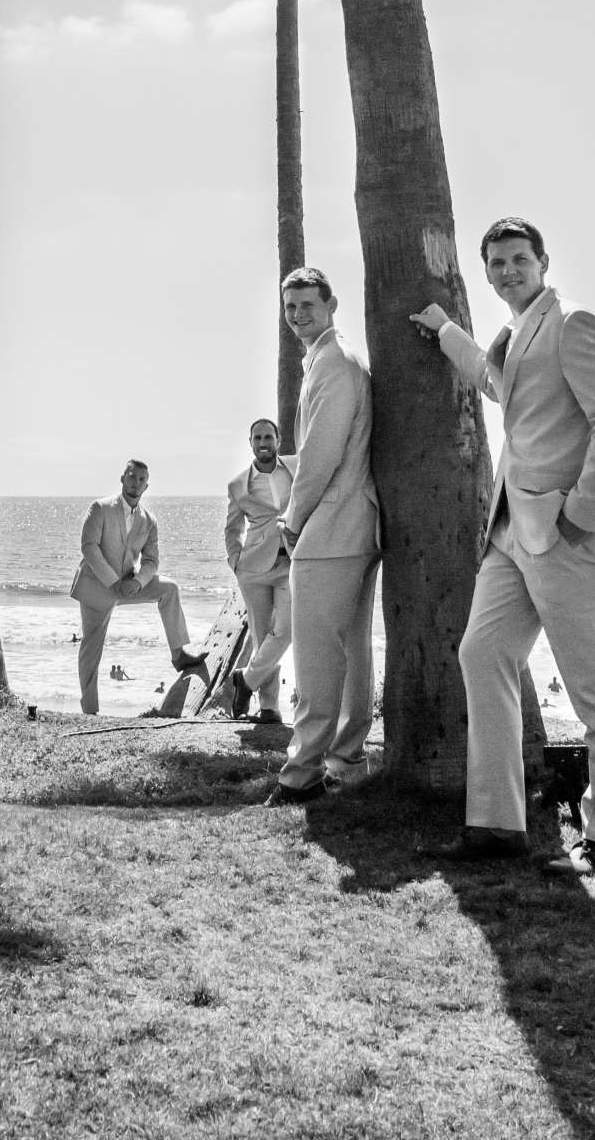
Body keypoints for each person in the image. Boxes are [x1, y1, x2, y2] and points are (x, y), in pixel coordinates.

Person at [411, 216, 595, 876]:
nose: (507, 271)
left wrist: (579, 514)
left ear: (542, 261)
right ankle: (496, 827)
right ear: (484, 274)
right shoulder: (515, 334)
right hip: (509, 532)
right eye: (496, 263)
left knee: (594, 687)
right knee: (482, 652)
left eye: (518, 259)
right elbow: (497, 386)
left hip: (562, 535)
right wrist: (444, 332)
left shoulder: (573, 324)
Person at [266, 270, 381, 802]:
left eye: (307, 304)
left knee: (314, 655)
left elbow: (320, 455)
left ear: (332, 304)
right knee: (351, 649)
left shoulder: (335, 363)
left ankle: (302, 774)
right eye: (291, 307)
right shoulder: (332, 359)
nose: (298, 315)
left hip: (331, 526)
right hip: (352, 525)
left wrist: (291, 519)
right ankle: (346, 759)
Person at [71, 459, 208, 715]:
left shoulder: (149, 520)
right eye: (132, 477)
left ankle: (180, 653)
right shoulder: (100, 508)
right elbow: (89, 547)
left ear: (147, 486)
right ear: (123, 478)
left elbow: (152, 561)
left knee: (170, 589)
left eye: (142, 480)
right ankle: (90, 710)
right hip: (98, 586)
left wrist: (137, 582)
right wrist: (113, 582)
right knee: (91, 647)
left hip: (129, 584)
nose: (136, 483)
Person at [224, 417, 295, 724]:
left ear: (278, 440)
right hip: (253, 568)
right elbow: (232, 527)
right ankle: (268, 708)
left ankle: (246, 680)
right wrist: (235, 562)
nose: (263, 443)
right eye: (258, 438)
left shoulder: (296, 467)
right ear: (250, 444)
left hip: (291, 562)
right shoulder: (238, 484)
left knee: (287, 630)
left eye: (269, 437)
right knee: (261, 634)